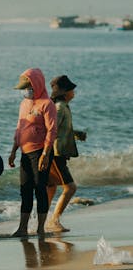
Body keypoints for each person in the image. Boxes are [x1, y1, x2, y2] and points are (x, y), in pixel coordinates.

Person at [9, 68, 57, 237]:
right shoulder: (24, 104)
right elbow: (19, 128)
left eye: (27, 87)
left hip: (40, 152)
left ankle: (41, 228)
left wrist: (45, 154)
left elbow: (52, 131)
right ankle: (22, 228)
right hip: (25, 152)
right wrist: (14, 150)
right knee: (25, 189)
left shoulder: (47, 104)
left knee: (40, 188)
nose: (25, 91)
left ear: (36, 84)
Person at [46, 74, 87, 232]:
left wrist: (76, 134)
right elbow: (52, 130)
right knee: (70, 188)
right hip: (56, 154)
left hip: (54, 153)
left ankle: (41, 219)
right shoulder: (60, 108)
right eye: (71, 90)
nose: (74, 92)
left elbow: (61, 129)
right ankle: (54, 221)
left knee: (51, 187)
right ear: (64, 93)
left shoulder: (62, 106)